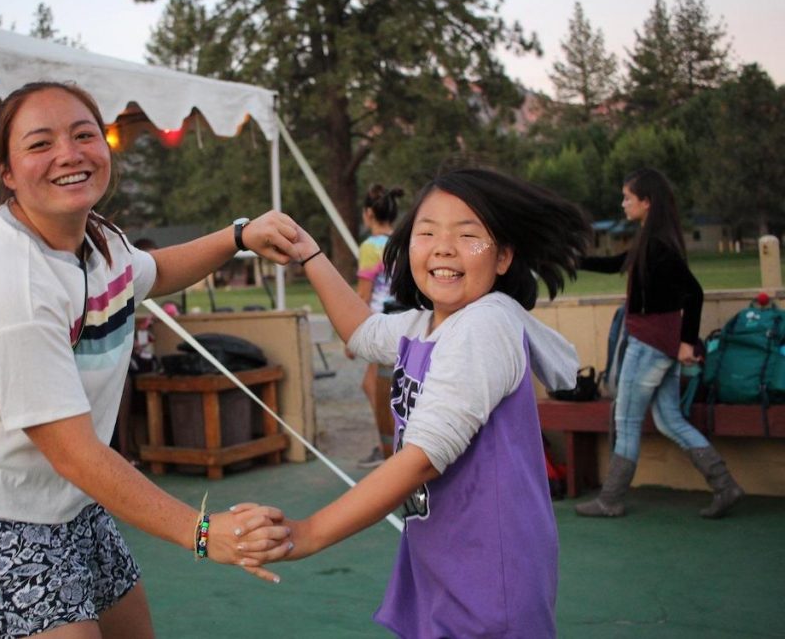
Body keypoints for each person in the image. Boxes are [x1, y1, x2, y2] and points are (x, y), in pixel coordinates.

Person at [0, 81, 293, 638]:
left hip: (74, 507)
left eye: (83, 134)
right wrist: (202, 531)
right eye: (40, 143)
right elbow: (76, 454)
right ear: (6, 171)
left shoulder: (98, 238)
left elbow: (153, 272)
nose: (69, 155)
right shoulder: (13, 288)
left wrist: (239, 235)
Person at [271, 168, 589, 638]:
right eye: (427, 233)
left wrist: (308, 533)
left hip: (487, 578)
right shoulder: (426, 326)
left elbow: (422, 460)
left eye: (468, 235)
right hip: (442, 558)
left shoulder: (485, 326)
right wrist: (309, 253)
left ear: (502, 257)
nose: (443, 247)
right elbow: (360, 330)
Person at [575, 168, 744, 519]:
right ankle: (725, 485)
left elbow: (694, 293)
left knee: (627, 420)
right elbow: (616, 265)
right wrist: (572, 260)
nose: (623, 204)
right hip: (659, 345)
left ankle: (610, 499)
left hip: (650, 345)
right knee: (668, 419)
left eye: (627, 198)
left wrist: (685, 343)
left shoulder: (659, 245)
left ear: (646, 202)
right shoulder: (650, 240)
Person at [353, 184, 404, 468]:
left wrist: (351, 337)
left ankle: (389, 441)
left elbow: (363, 293)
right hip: (404, 320)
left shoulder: (370, 247)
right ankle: (389, 438)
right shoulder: (403, 241)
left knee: (372, 385)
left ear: (368, 213)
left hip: (378, 325)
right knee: (381, 384)